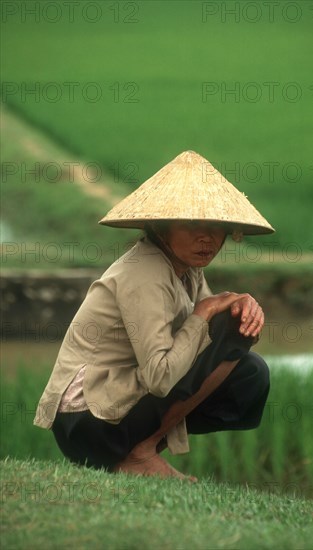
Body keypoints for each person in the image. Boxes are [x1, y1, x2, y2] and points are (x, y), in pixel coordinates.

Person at [34, 150, 275, 481]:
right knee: (230, 330)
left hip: (113, 413)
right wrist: (207, 311)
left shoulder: (186, 269)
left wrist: (244, 308)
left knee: (249, 372)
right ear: (161, 227)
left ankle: (139, 453)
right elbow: (161, 377)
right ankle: (139, 454)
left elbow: (208, 341)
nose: (207, 236)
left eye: (216, 225)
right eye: (192, 224)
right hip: (88, 420)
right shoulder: (145, 272)